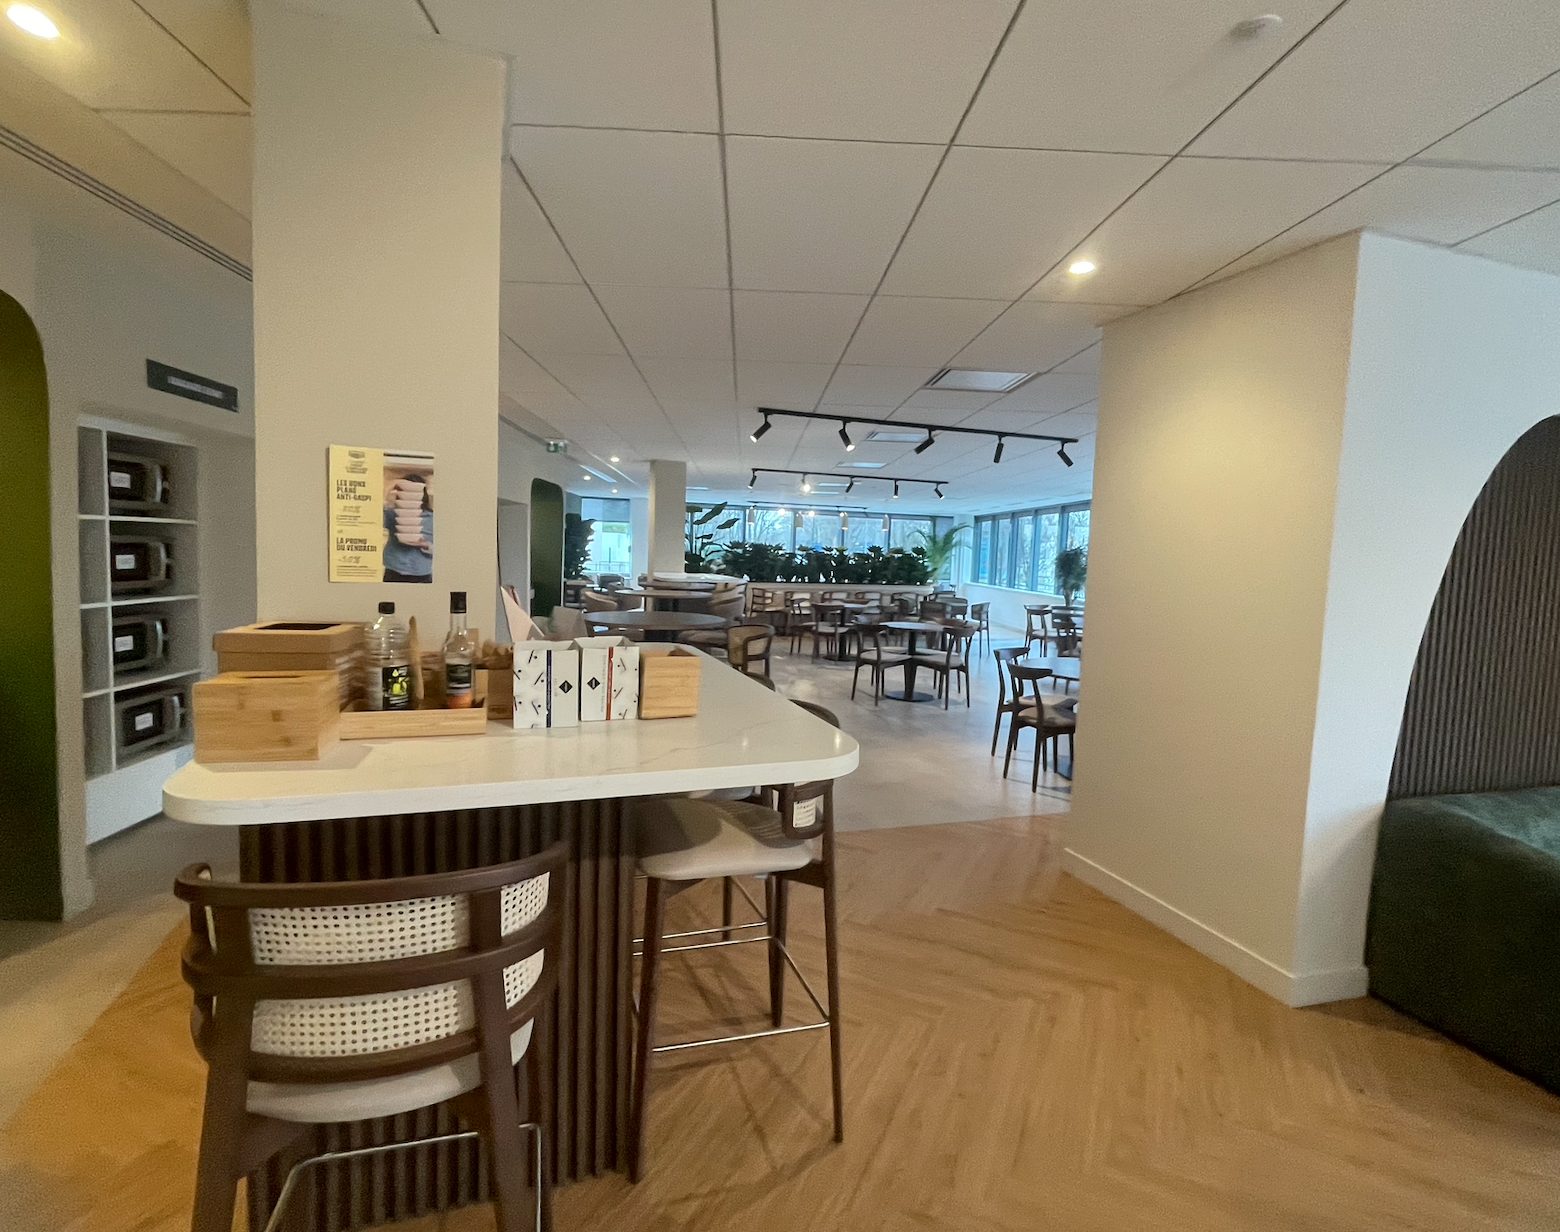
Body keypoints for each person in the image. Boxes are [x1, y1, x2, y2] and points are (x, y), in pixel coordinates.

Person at [382, 473, 433, 583]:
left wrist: (426, 545)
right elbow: (373, 521)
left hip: (421, 572)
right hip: (394, 569)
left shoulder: (432, 518)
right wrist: (389, 488)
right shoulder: (392, 514)